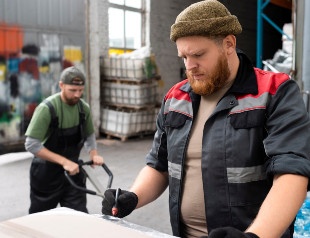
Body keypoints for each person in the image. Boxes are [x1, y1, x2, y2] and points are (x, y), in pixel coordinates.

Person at [101, 0, 310, 237]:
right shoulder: (175, 98)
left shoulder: (275, 92)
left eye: (198, 54)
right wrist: (133, 196)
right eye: (183, 57)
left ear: (228, 44)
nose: (190, 66)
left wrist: (256, 235)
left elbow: (292, 174)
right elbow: (159, 166)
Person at [25, 66, 104, 214]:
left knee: (79, 216)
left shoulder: (83, 109)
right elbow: (31, 144)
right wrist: (64, 162)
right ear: (61, 85)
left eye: (80, 91)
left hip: (73, 173)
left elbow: (89, 135)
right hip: (46, 174)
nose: (77, 95)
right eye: (72, 90)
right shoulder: (47, 108)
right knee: (41, 219)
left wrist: (93, 154)